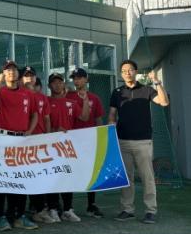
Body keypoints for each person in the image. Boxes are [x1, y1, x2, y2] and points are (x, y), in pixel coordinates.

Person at [109, 60, 169, 224]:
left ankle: (151, 211)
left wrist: (156, 82)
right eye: (124, 71)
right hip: (123, 141)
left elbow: (164, 102)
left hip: (143, 141)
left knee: (147, 178)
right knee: (126, 178)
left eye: (130, 70)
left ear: (135, 71)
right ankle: (127, 210)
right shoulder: (117, 92)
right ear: (121, 74)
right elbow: (112, 114)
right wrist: (111, 128)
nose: (127, 73)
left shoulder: (147, 90)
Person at [0, 60, 39, 231]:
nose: (12, 72)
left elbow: (35, 114)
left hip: (21, 139)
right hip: (3, 138)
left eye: (14, 69)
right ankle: (0, 216)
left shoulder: (27, 93)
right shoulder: (0, 91)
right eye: (8, 70)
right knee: (1, 179)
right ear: (3, 73)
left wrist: (30, 131)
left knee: (21, 178)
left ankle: (18, 215)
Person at [46, 73, 90, 223]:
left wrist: (85, 100)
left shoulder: (71, 102)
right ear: (49, 86)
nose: (57, 85)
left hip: (67, 146)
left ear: (64, 84)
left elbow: (84, 117)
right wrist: (53, 130)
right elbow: (43, 123)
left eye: (60, 82)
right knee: (52, 176)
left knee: (67, 176)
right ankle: (52, 208)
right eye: (54, 82)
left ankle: (67, 209)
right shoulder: (46, 101)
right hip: (50, 146)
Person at [66, 68, 105, 218]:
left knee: (90, 172)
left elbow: (98, 119)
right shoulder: (68, 96)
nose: (77, 81)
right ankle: (68, 207)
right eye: (74, 78)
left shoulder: (94, 98)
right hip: (71, 141)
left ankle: (91, 204)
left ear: (86, 79)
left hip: (89, 141)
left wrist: (101, 138)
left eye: (80, 78)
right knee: (69, 172)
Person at [20, 67, 55, 225]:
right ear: (21, 78)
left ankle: (39, 210)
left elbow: (47, 119)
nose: (29, 78)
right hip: (21, 141)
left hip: (39, 141)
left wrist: (47, 137)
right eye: (26, 75)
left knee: (39, 177)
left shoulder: (42, 98)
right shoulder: (18, 94)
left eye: (32, 75)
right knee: (22, 177)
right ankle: (20, 212)